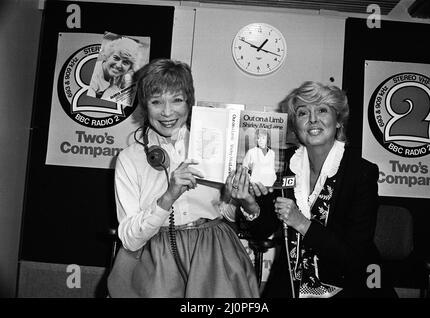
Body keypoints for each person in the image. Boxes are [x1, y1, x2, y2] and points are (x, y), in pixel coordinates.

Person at [107, 58, 259, 298]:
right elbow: (129, 238)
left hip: (215, 251)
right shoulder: (129, 158)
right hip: (157, 259)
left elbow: (226, 212)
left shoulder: (216, 142)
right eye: (157, 102)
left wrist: (241, 199)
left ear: (190, 102)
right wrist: (169, 196)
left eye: (177, 100)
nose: (167, 112)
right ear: (145, 106)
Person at [231, 81, 397, 298]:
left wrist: (300, 222)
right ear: (295, 127)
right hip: (291, 282)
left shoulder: (361, 173)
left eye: (322, 110)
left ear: (338, 121)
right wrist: (249, 203)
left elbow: (353, 256)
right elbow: (262, 230)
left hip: (349, 283)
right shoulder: (284, 164)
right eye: (302, 113)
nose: (312, 119)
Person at [88, 36, 140, 104]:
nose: (118, 65)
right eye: (116, 58)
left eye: (125, 62)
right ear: (108, 56)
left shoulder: (120, 77)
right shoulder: (93, 74)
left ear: (130, 68)